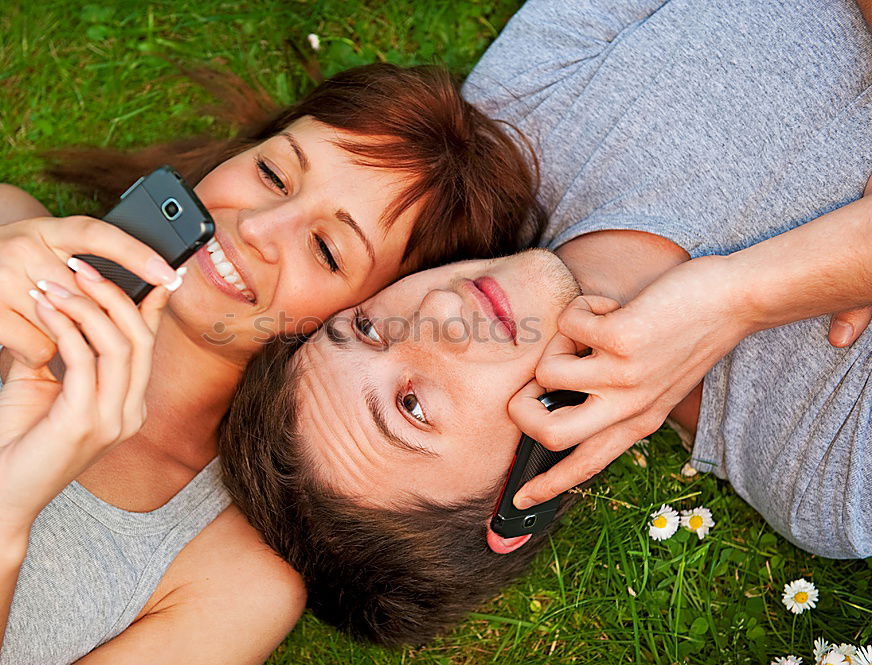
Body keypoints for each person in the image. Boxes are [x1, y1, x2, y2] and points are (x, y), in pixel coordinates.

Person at [217, 0, 872, 646]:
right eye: (412, 404)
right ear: (520, 497)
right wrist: (745, 295)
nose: (438, 310)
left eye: (366, 327)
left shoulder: (517, 112)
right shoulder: (823, 467)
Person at [0, 63, 541, 664]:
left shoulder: (232, 579)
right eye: (274, 172)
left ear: (365, 319)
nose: (256, 225)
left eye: (327, 249)